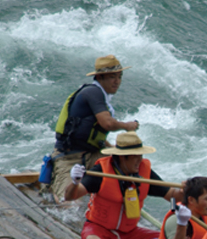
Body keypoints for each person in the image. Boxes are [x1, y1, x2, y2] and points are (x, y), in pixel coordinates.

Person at [66, 131, 183, 239]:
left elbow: (171, 194)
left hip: (129, 233)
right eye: (135, 156)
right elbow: (70, 196)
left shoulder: (144, 172)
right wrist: (74, 182)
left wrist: (186, 191)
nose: (139, 160)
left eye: (141, 155)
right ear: (122, 158)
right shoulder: (101, 172)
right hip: (99, 229)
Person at [49, 54, 139, 202]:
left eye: (119, 76)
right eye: (112, 77)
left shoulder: (102, 97)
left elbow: (97, 136)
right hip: (69, 158)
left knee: (127, 166)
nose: (117, 81)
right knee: (68, 203)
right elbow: (107, 124)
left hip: (92, 154)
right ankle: (55, 186)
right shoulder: (93, 92)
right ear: (100, 77)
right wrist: (127, 126)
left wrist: (114, 149)